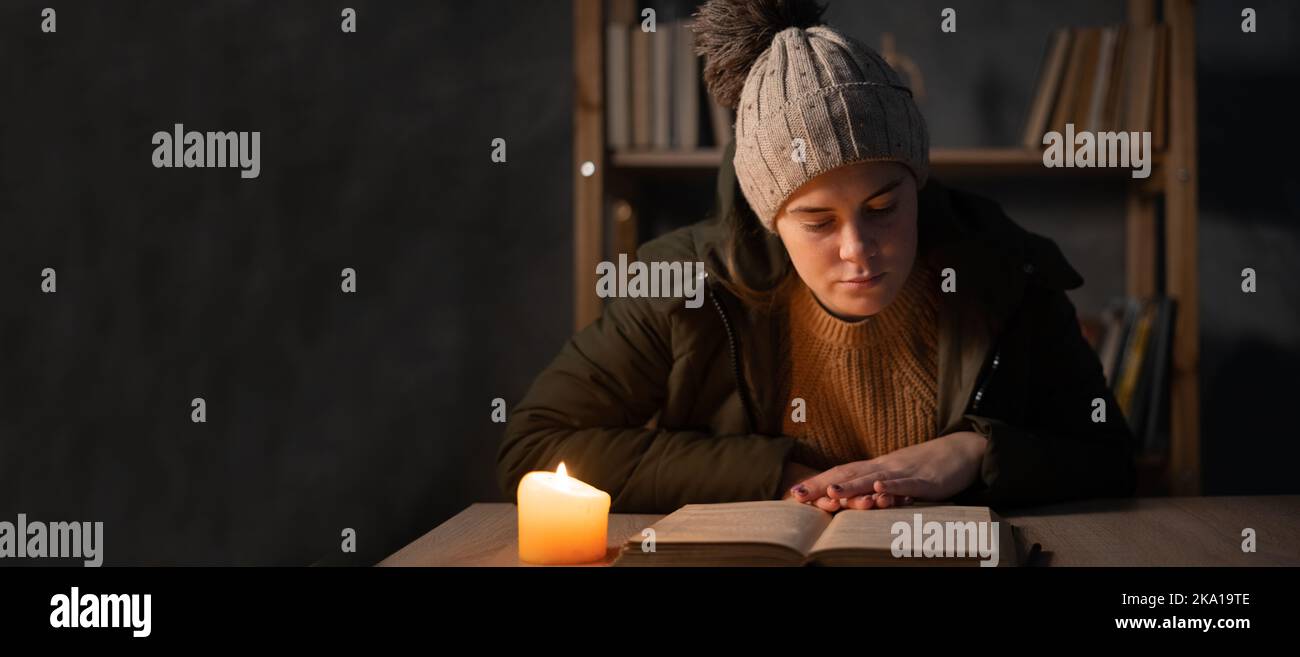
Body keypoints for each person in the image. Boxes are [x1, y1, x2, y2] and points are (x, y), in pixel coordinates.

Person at [497, 0, 1135, 513]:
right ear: (772, 221)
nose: (858, 248)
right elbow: (534, 447)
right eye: (817, 221)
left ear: (917, 182)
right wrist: (778, 476)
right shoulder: (681, 286)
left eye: (884, 207)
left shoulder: (1006, 270)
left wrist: (973, 452)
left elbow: (1109, 458)